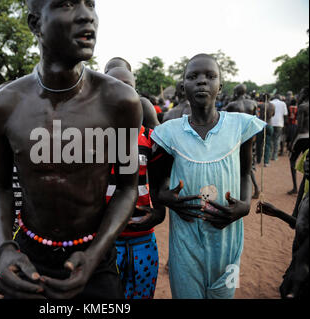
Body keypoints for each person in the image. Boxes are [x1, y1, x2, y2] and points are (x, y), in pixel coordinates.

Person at [0, 0, 141, 299]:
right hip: (28, 257)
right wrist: (5, 248)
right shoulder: (4, 103)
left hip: (94, 258)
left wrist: (95, 253)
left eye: (91, 4)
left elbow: (126, 188)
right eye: (67, 4)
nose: (87, 16)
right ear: (35, 24)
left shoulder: (120, 102)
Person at [149, 54, 266, 299]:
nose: (202, 82)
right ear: (183, 87)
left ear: (220, 86)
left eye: (210, 76)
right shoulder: (169, 132)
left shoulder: (240, 126)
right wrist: (164, 197)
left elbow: (245, 172)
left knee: (225, 293)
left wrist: (244, 206)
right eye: (193, 76)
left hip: (228, 239)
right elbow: (157, 181)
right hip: (185, 240)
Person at [106, 66, 166, 299]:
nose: (121, 91)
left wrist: (159, 213)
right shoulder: (87, 139)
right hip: (104, 241)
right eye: (113, 85)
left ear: (136, 93)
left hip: (143, 239)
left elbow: (160, 185)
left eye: (127, 86)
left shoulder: (149, 139)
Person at [256, 151, 309, 299]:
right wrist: (277, 212)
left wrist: (299, 272)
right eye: (307, 158)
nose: (307, 164)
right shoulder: (307, 196)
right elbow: (300, 226)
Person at [223, 84, 260, 198]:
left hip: (236, 137)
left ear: (236, 92)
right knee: (247, 166)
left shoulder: (231, 105)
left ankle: (240, 191)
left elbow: (227, 122)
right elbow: (256, 120)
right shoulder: (253, 103)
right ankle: (255, 189)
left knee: (238, 164)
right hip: (249, 136)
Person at [104, 58, 159, 130]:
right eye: (109, 72)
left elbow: (158, 134)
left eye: (125, 84)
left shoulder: (142, 105)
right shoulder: (97, 104)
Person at [288, 88, 309, 194]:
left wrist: (291, 142)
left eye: (300, 94)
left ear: (305, 94)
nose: (298, 96)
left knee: (292, 160)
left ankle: (295, 188)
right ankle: (305, 187)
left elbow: (299, 126)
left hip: (301, 137)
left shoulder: (302, 107)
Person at [256, 94, 275, 167]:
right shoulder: (273, 105)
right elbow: (273, 115)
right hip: (269, 125)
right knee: (268, 144)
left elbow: (259, 114)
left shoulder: (261, 105)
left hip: (261, 125)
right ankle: (266, 162)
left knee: (259, 144)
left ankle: (258, 160)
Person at [270, 93, 288, 161]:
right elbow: (285, 114)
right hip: (279, 123)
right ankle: (274, 156)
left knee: (271, 140)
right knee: (277, 140)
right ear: (280, 98)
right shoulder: (283, 103)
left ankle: (269, 156)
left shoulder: (270, 103)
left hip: (271, 123)